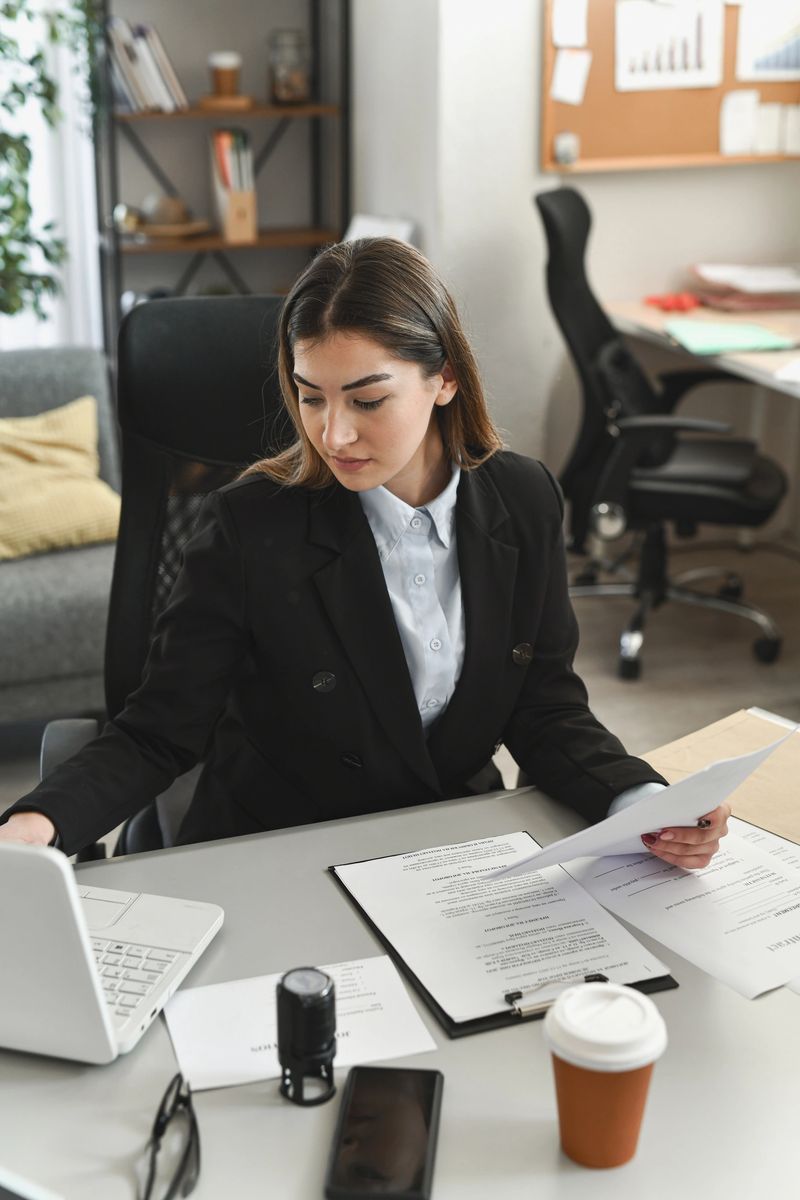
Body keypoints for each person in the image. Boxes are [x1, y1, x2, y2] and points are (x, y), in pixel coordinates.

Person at [0, 238, 729, 867]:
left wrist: (643, 800)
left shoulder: (524, 498)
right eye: (311, 396)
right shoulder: (251, 527)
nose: (334, 434)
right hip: (281, 851)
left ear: (444, 378)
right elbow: (158, 733)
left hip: (449, 844)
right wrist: (36, 824)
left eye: (367, 400)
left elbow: (545, 709)